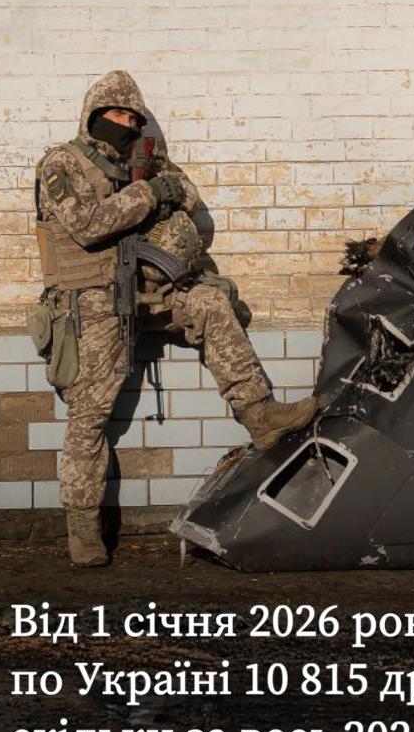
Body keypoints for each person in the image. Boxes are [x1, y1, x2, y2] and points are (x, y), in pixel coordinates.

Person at [34, 70, 318, 567]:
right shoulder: (63, 163)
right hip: (92, 302)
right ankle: (82, 525)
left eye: (133, 118)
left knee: (210, 303)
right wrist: (149, 194)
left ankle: (259, 414)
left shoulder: (143, 158)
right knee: (91, 414)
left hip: (151, 288)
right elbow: (88, 225)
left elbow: (189, 199)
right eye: (117, 114)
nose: (126, 124)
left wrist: (162, 183)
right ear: (94, 115)